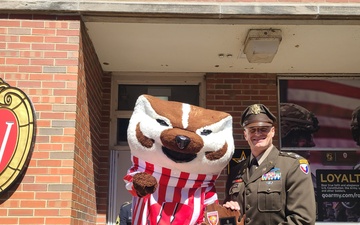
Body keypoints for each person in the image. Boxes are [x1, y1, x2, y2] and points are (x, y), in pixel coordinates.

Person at [223, 103, 316, 225]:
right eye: (252, 130)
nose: (257, 134)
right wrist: (228, 213)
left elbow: (303, 220)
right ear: (245, 134)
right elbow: (230, 220)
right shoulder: (236, 171)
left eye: (263, 129)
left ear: (272, 131)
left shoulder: (292, 166)